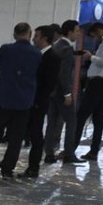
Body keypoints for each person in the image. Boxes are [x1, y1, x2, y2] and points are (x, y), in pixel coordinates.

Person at [0, 22, 39, 180]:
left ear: (14, 34)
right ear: (30, 34)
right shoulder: (37, 53)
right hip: (24, 101)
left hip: (3, 98)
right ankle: (7, 169)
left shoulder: (6, 49)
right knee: (16, 138)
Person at [69, 21, 103, 162]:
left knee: (81, 116)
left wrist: (90, 57)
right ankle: (94, 151)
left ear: (98, 31)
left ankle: (70, 150)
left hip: (98, 82)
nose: (94, 39)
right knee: (98, 119)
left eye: (94, 36)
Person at [19, 24, 63, 179]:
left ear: (45, 38)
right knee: (30, 133)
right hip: (30, 100)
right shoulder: (37, 55)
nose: (33, 39)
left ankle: (33, 168)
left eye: (36, 36)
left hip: (38, 102)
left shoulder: (52, 57)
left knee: (36, 136)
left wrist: (37, 100)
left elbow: (48, 83)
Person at [45, 20, 80, 164]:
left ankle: (49, 154)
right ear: (69, 32)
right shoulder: (66, 49)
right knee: (71, 122)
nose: (78, 34)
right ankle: (69, 154)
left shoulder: (55, 46)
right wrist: (67, 94)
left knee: (51, 123)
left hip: (51, 91)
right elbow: (64, 74)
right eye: (77, 31)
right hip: (61, 92)